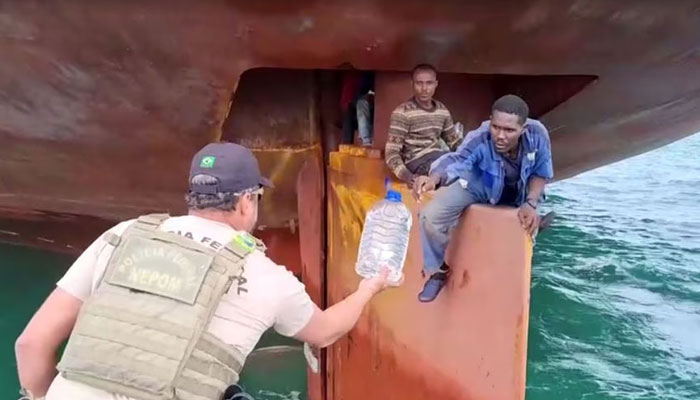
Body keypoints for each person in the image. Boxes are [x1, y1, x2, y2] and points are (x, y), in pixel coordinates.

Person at [15, 142, 394, 400]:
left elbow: (31, 345)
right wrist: (369, 288)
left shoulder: (124, 234)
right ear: (247, 202)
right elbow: (325, 331)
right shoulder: (265, 275)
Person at [412, 95, 554, 302]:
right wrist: (434, 178)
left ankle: (532, 236)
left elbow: (541, 172)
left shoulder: (538, 135)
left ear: (523, 130)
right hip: (480, 184)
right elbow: (457, 160)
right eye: (496, 127)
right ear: (490, 121)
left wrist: (531, 202)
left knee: (526, 221)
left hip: (521, 189)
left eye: (509, 130)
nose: (500, 136)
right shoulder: (480, 137)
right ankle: (436, 271)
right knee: (430, 216)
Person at [384, 64, 462, 185]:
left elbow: (455, 143)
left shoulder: (442, 110)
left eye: (429, 83)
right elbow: (391, 153)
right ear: (412, 84)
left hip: (439, 157)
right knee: (451, 172)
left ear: (436, 84)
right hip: (417, 162)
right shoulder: (403, 113)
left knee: (466, 168)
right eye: (419, 83)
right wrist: (408, 177)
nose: (424, 88)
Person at [340, 71, 374, 146]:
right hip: (354, 100)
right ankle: (364, 139)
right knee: (360, 104)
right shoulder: (353, 76)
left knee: (362, 103)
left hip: (370, 97)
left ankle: (365, 139)